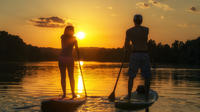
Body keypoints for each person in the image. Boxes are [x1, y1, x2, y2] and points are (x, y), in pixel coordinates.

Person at [124, 14, 151, 101]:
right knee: (147, 77)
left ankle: (129, 96)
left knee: (131, 76)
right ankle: (146, 96)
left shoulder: (129, 31)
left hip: (134, 55)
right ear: (141, 21)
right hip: (144, 54)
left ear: (133, 21)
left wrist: (126, 51)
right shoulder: (146, 30)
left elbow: (126, 45)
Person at [58, 25, 79, 98]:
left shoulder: (63, 37)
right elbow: (77, 50)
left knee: (65, 77)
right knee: (70, 77)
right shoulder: (68, 38)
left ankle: (66, 94)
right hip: (68, 59)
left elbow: (76, 49)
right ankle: (72, 94)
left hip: (62, 58)